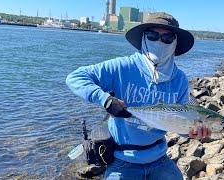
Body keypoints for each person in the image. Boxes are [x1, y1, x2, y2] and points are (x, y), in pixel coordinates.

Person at [66, 12, 211, 180]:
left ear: (174, 43)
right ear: (144, 38)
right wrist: (105, 100)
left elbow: (179, 121)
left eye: (167, 38)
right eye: (152, 35)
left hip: (160, 159)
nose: (159, 42)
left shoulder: (179, 79)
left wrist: (191, 132)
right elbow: (75, 77)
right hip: (122, 161)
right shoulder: (122, 66)